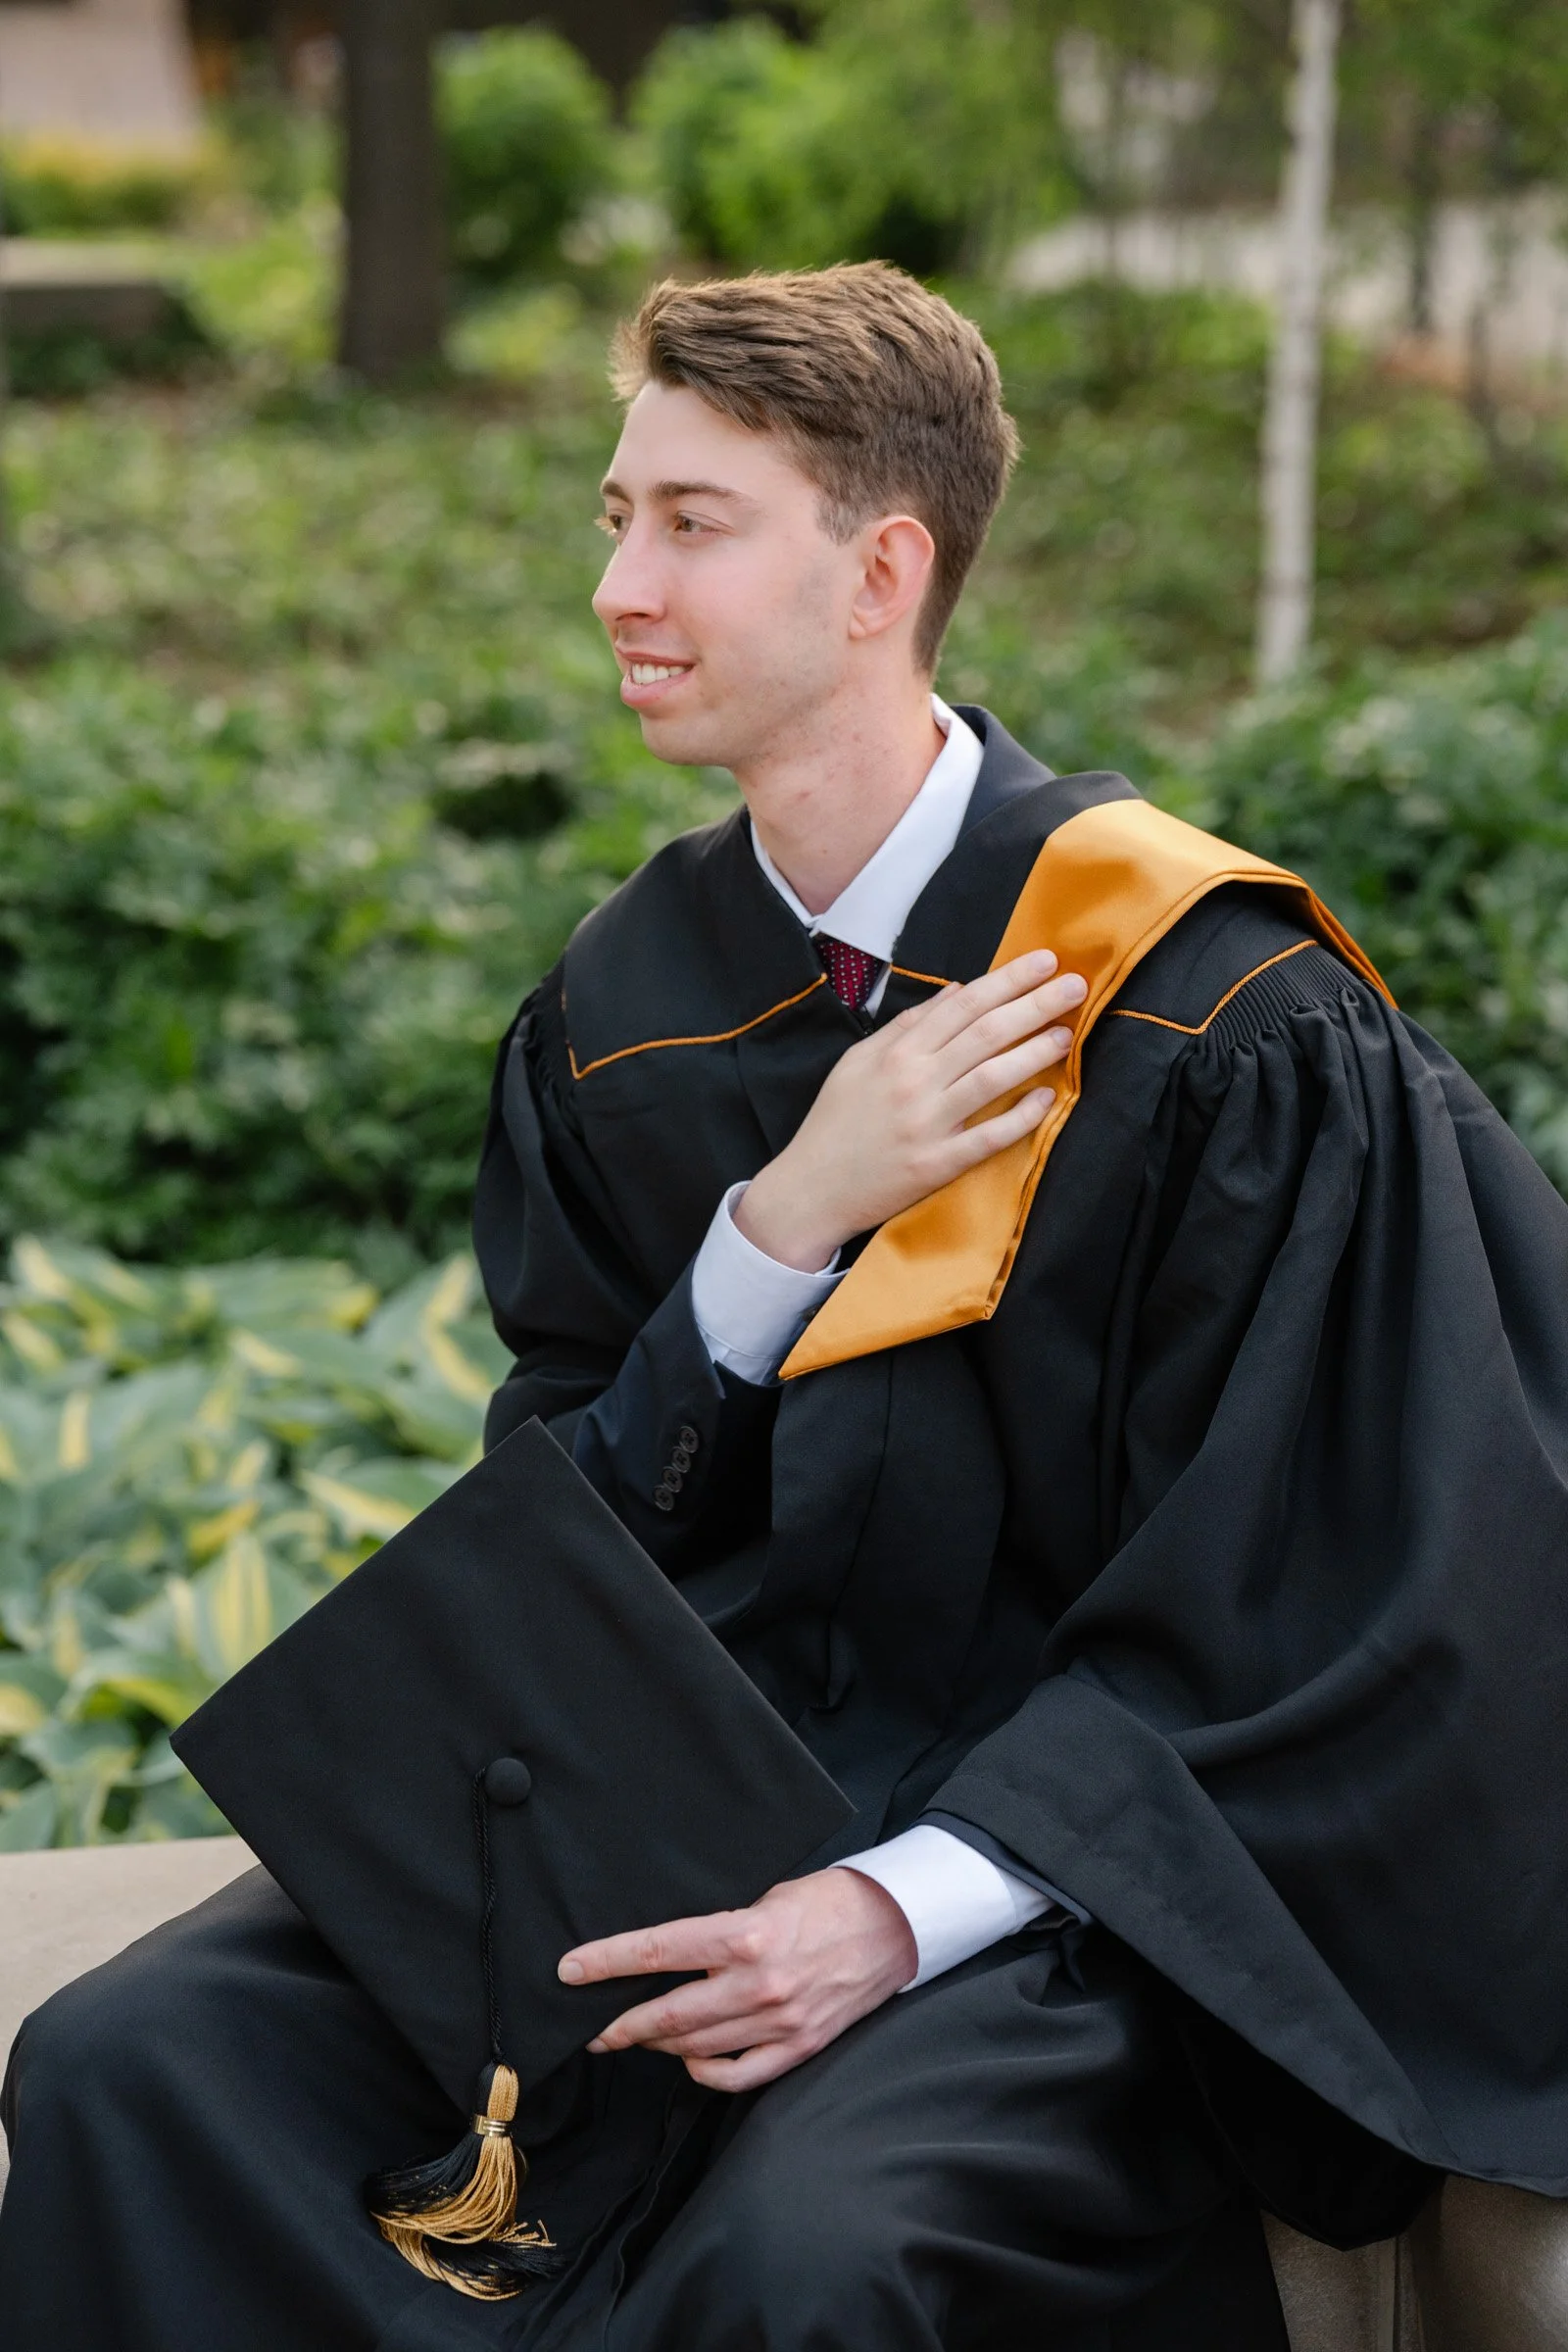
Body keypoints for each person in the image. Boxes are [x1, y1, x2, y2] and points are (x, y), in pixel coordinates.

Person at [4, 261, 1568, 2352]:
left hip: (1053, 1890)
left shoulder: (1206, 1014)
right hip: (671, 1800)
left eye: (688, 523)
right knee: (132, 2068)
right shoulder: (626, 1014)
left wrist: (883, 1911)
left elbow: (1326, 1584)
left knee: (811, 2261)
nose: (616, 584)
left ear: (877, 571)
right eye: (611, 517)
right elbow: (567, 1516)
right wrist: (778, 1228)